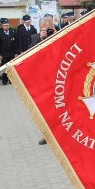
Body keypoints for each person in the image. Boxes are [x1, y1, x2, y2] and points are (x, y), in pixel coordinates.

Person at [29, 16, 57, 146]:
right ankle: (46, 134)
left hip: (58, 76)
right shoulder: (35, 38)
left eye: (50, 28)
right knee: (45, 108)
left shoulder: (60, 34)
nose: (48, 31)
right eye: (45, 28)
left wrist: (56, 34)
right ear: (40, 28)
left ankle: (60, 134)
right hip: (42, 77)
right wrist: (41, 38)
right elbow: (30, 53)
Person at [0, 18, 17, 85]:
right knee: (4, 68)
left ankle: (11, 80)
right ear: (2, 26)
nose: (6, 26)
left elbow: (15, 44)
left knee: (12, 68)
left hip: (12, 54)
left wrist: (16, 53)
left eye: (7, 25)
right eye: (5, 25)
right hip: (4, 54)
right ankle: (4, 80)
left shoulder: (12, 32)